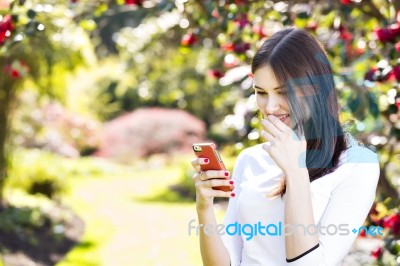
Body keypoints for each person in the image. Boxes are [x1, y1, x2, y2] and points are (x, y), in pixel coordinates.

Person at [190, 27, 380, 266]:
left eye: (283, 92)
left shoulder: (356, 165)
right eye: (261, 92)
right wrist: (204, 208)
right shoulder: (250, 159)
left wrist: (295, 170)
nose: (270, 107)